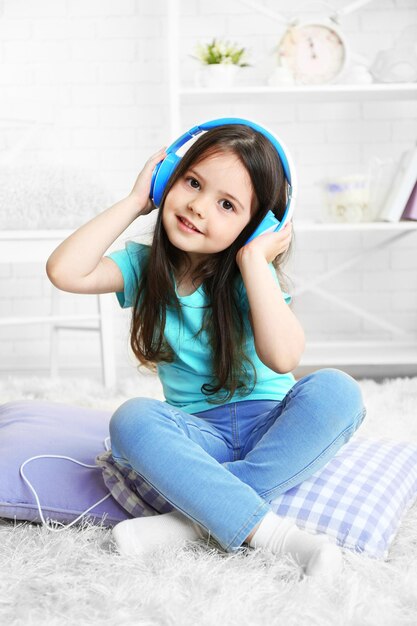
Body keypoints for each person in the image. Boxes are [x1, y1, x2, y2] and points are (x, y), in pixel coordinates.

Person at [46, 122, 366, 577]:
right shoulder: (143, 266)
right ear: (167, 179)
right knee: (131, 419)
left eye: (227, 204)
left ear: (256, 226)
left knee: (338, 390)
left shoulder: (249, 274)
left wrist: (256, 261)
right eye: (192, 182)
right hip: (200, 440)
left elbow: (284, 358)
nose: (198, 206)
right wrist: (137, 202)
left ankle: (189, 526)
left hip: (272, 431)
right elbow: (65, 271)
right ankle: (269, 532)